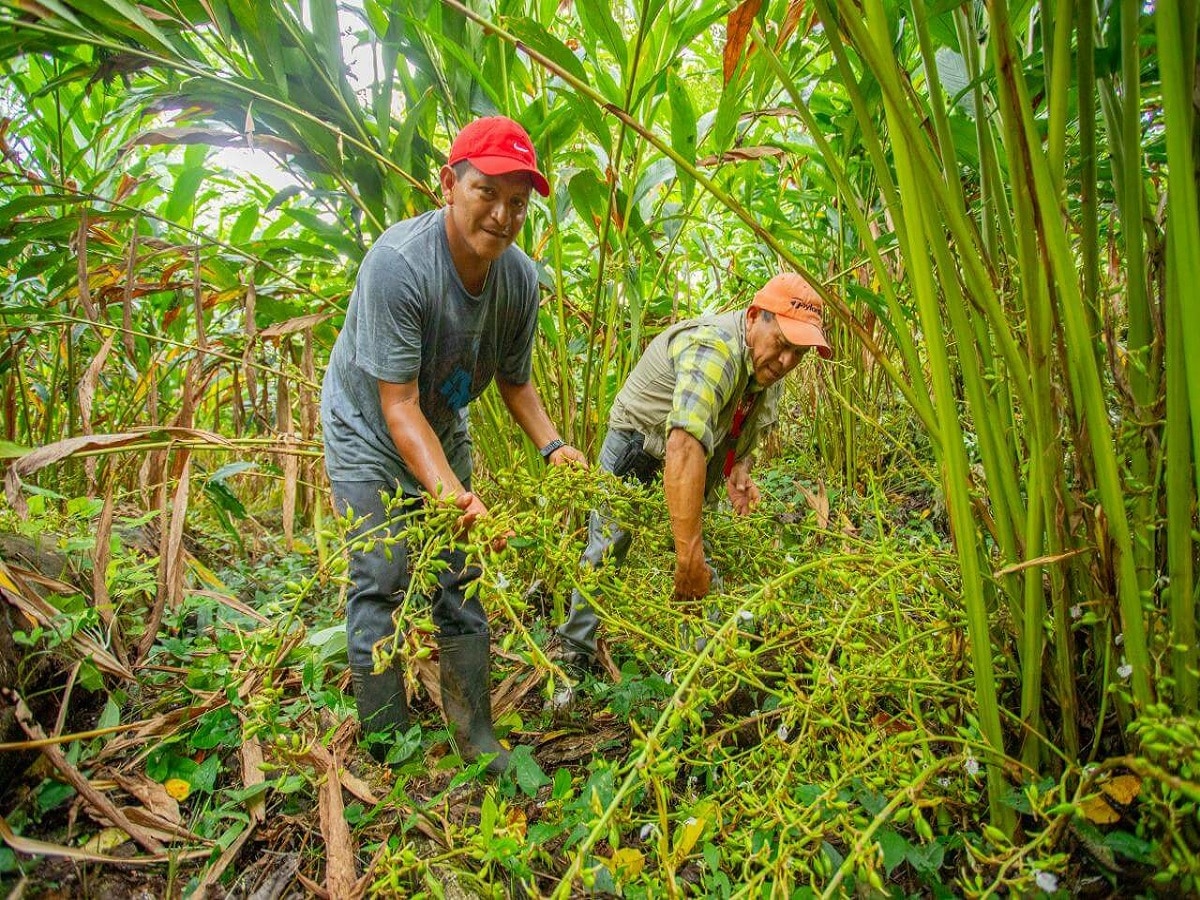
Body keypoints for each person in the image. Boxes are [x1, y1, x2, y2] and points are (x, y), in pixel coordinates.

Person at [320, 116, 585, 773]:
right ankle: (391, 746)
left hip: (439, 420)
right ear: (449, 184)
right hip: (367, 426)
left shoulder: (520, 280)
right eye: (485, 192)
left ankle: (476, 737)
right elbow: (396, 406)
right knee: (380, 575)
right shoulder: (400, 265)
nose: (501, 215)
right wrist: (456, 497)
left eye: (517, 203)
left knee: (458, 579)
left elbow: (515, 381)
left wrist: (555, 448)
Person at [552, 273, 832, 678]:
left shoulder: (768, 370)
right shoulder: (714, 348)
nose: (788, 361)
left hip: (697, 457)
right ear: (755, 317)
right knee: (609, 550)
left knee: (707, 557)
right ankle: (574, 653)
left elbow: (742, 429)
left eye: (799, 353)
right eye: (784, 345)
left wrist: (740, 471)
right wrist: (687, 556)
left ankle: (693, 669)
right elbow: (684, 446)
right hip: (638, 446)